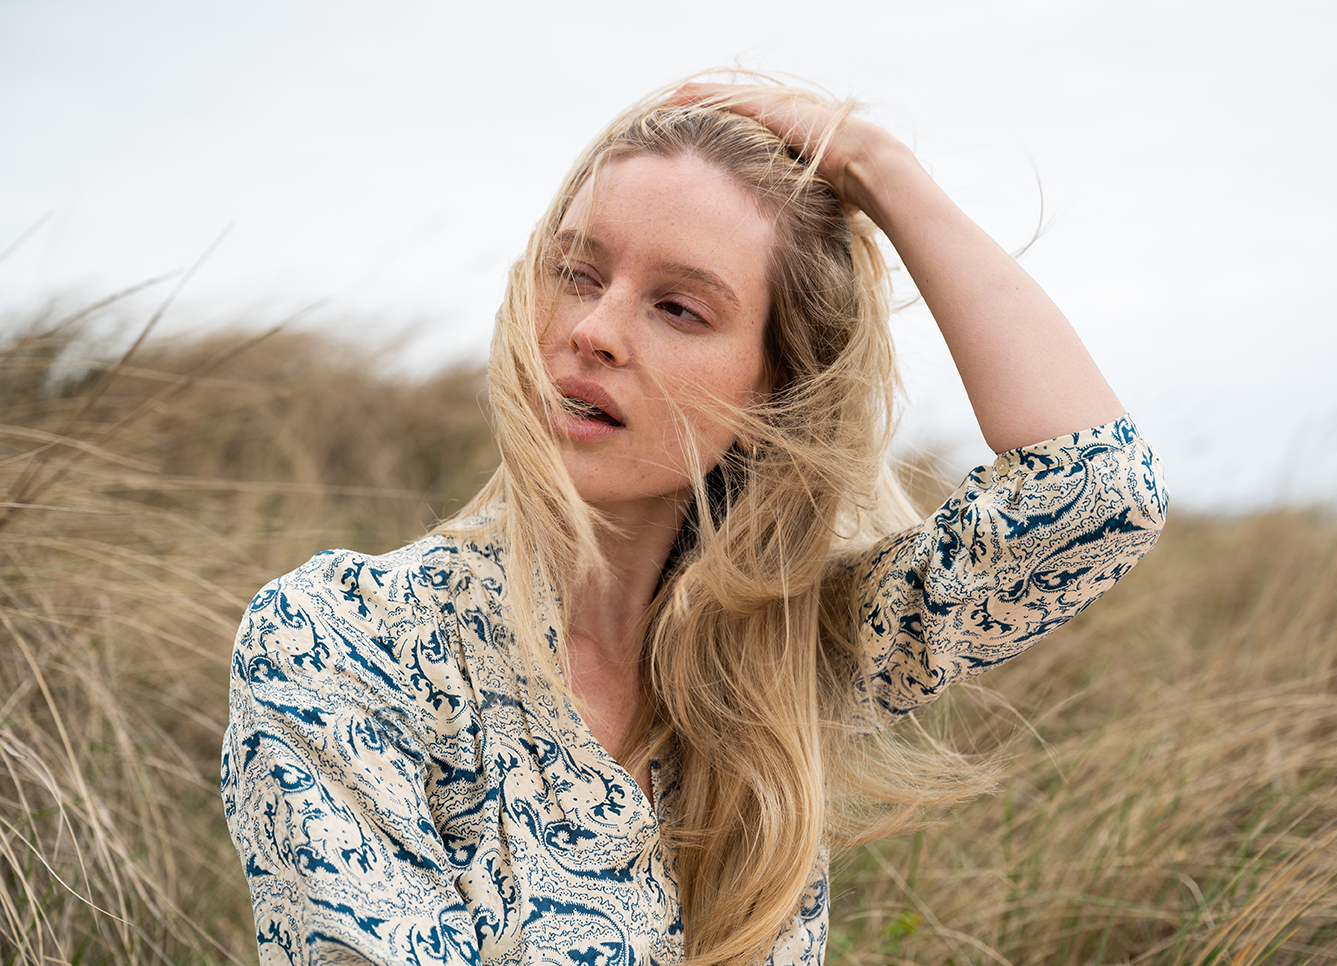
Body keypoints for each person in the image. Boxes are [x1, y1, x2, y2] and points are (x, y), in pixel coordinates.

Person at [222, 77, 1168, 966]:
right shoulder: (343, 640)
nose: (594, 328)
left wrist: (876, 164)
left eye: (678, 307)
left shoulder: (794, 648)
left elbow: (1097, 494)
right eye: (577, 272)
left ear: (778, 388)